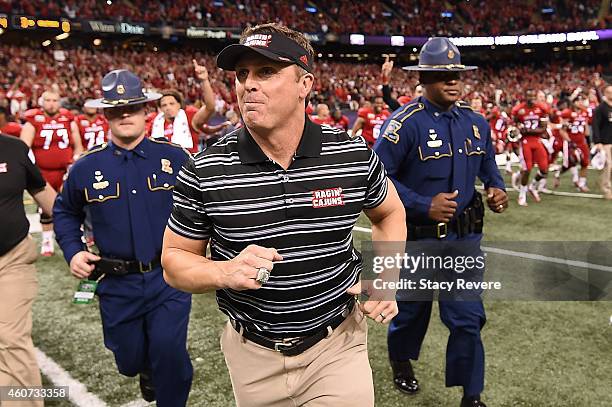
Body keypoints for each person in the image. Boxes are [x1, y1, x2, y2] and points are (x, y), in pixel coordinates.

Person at [161, 23, 405, 407]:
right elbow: (174, 262)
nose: (248, 85)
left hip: (336, 344)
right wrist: (224, 271)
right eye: (242, 75)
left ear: (304, 84)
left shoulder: (350, 155)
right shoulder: (205, 168)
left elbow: (390, 212)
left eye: (266, 72)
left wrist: (386, 277)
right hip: (252, 355)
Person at [374, 37, 508, 407]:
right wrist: (422, 203)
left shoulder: (477, 123)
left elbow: (488, 167)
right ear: (423, 79)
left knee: (467, 318)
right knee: (412, 310)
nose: (452, 81)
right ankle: (401, 359)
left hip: (464, 242)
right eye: (441, 74)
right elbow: (376, 177)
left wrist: (496, 188)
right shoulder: (403, 125)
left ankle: (472, 395)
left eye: (456, 74)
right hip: (418, 241)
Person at [53, 70, 193, 406]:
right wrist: (72, 251)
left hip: (168, 279)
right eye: (116, 109)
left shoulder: (174, 159)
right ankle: (144, 370)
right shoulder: (85, 168)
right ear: (105, 114)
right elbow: (64, 212)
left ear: (147, 110)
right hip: (116, 284)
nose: (125, 115)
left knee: (170, 355)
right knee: (128, 359)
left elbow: (203, 206)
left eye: (132, 107)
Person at [0, 133, 56, 407]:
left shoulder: (13, 148)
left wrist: (76, 229)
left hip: (12, 257)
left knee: (10, 337)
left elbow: (42, 192)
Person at [20, 89, 83, 256]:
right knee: (46, 209)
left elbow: (77, 144)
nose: (51, 103)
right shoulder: (33, 120)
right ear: (42, 102)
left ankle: (75, 240)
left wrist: (76, 161)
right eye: (48, 100)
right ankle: (47, 240)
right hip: (43, 171)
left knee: (72, 206)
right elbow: (23, 147)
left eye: (55, 100)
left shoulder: (68, 118)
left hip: (66, 170)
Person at [147, 60, 215, 154]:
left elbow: (210, 107)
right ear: (160, 108)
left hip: (187, 165)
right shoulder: (154, 122)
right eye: (164, 105)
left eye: (172, 103)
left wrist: (204, 80)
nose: (168, 107)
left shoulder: (190, 117)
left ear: (179, 104)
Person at [511, 89, 551, 206]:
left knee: (544, 169)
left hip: (537, 141)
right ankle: (522, 195)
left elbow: (543, 129)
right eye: (530, 96)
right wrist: (518, 128)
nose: (532, 98)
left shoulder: (542, 108)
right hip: (525, 142)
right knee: (527, 169)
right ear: (525, 96)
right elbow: (515, 124)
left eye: (534, 96)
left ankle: (532, 186)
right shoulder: (519, 109)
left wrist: (528, 130)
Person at [592, 84, 612, 200]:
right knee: (608, 166)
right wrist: (597, 141)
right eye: (609, 92)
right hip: (605, 142)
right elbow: (595, 125)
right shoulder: (601, 108)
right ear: (605, 94)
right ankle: (607, 190)